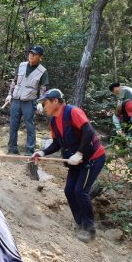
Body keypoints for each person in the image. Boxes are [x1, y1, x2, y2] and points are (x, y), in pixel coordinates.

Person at [31, 89, 106, 243]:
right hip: (76, 161)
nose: (43, 106)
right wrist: (43, 153)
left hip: (92, 158)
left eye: (45, 103)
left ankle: (90, 229)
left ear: (55, 101)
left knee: (80, 191)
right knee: (69, 191)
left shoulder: (73, 112)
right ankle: (80, 223)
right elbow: (57, 143)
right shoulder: (53, 121)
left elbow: (88, 131)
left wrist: (79, 153)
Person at [5, 45, 49, 155]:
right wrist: (9, 94)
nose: (31, 56)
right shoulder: (21, 65)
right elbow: (14, 81)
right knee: (13, 124)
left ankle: (29, 151)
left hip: (29, 102)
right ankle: (12, 148)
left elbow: (43, 88)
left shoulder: (43, 71)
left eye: (34, 54)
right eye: (30, 53)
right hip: (16, 99)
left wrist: (40, 102)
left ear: (40, 57)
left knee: (30, 126)